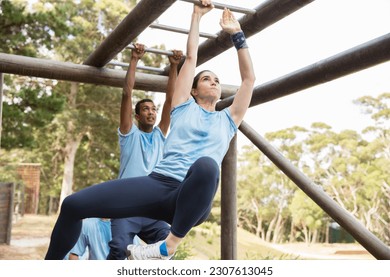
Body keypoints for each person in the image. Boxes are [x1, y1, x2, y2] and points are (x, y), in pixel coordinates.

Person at [45, 0, 255, 260]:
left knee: (207, 166)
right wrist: (196, 15)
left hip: (191, 200)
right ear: (192, 88)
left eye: (217, 80)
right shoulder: (182, 105)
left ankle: (169, 245)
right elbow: (191, 57)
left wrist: (237, 33)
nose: (213, 82)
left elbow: (249, 80)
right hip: (158, 184)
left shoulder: (229, 119)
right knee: (72, 205)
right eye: (206, 79)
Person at [106, 43, 183, 260]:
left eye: (153, 109)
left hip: (152, 211)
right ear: (137, 116)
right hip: (126, 208)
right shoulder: (129, 133)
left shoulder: (160, 135)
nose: (151, 112)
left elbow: (170, 100)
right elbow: (126, 93)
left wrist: (174, 66)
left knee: (169, 247)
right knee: (120, 249)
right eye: (146, 109)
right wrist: (134, 59)